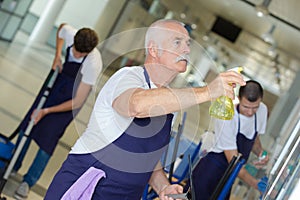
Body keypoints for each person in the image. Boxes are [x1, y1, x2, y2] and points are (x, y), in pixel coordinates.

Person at [44, 19, 245, 200]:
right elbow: (136, 105)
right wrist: (207, 92)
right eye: (177, 42)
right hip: (86, 187)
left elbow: (149, 161)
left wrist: (163, 187)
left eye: (187, 44)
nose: (186, 50)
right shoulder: (128, 77)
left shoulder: (170, 106)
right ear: (154, 49)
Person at [13, 23, 103, 199]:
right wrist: (57, 56)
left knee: (48, 139)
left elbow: (77, 101)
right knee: (29, 124)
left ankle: (28, 182)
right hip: (57, 83)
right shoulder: (71, 34)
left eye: (80, 54)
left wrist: (46, 111)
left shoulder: (93, 63)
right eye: (75, 51)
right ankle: (12, 164)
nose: (76, 55)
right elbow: (61, 28)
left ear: (89, 52)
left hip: (71, 99)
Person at [190, 80, 269, 200]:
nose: (250, 112)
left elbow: (253, 137)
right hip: (212, 169)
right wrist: (256, 184)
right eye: (246, 107)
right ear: (238, 99)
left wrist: (261, 154)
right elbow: (234, 162)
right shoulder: (226, 116)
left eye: (255, 108)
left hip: (229, 176)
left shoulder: (262, 110)